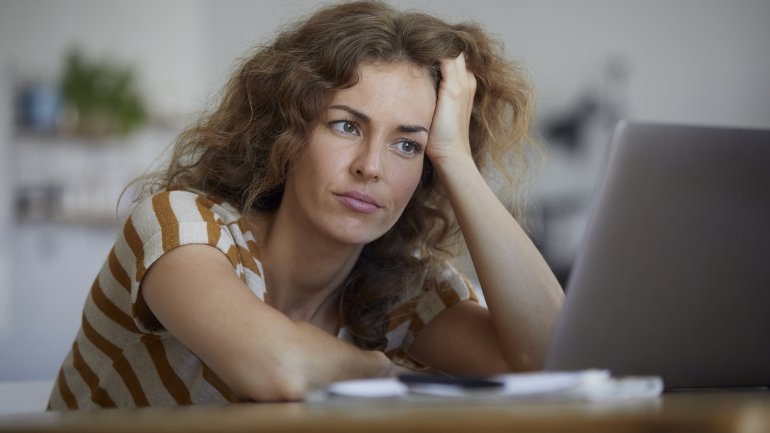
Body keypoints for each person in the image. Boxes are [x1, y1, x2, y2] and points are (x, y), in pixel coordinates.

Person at [48, 0, 564, 409]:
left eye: (408, 144)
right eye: (346, 126)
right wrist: (383, 371)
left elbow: (551, 360)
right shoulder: (181, 225)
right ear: (287, 135)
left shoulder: (403, 294)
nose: (371, 166)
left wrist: (456, 159)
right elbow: (278, 367)